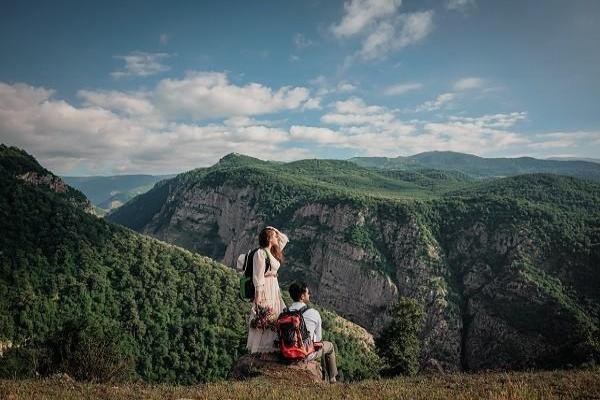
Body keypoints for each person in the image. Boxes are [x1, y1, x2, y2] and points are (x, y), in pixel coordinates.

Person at [246, 226, 289, 354]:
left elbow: (284, 239)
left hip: (274, 287)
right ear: (269, 238)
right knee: (265, 316)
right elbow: (258, 277)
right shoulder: (260, 253)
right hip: (265, 288)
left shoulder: (272, 252)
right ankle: (262, 349)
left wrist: (273, 229)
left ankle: (271, 346)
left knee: (275, 315)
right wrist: (258, 297)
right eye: (274, 236)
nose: (277, 238)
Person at [288, 282, 339, 383]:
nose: (309, 294)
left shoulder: (285, 311)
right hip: (305, 353)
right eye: (307, 293)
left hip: (287, 351)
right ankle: (332, 378)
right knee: (329, 346)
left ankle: (324, 374)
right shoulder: (314, 313)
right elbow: (319, 339)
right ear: (302, 296)